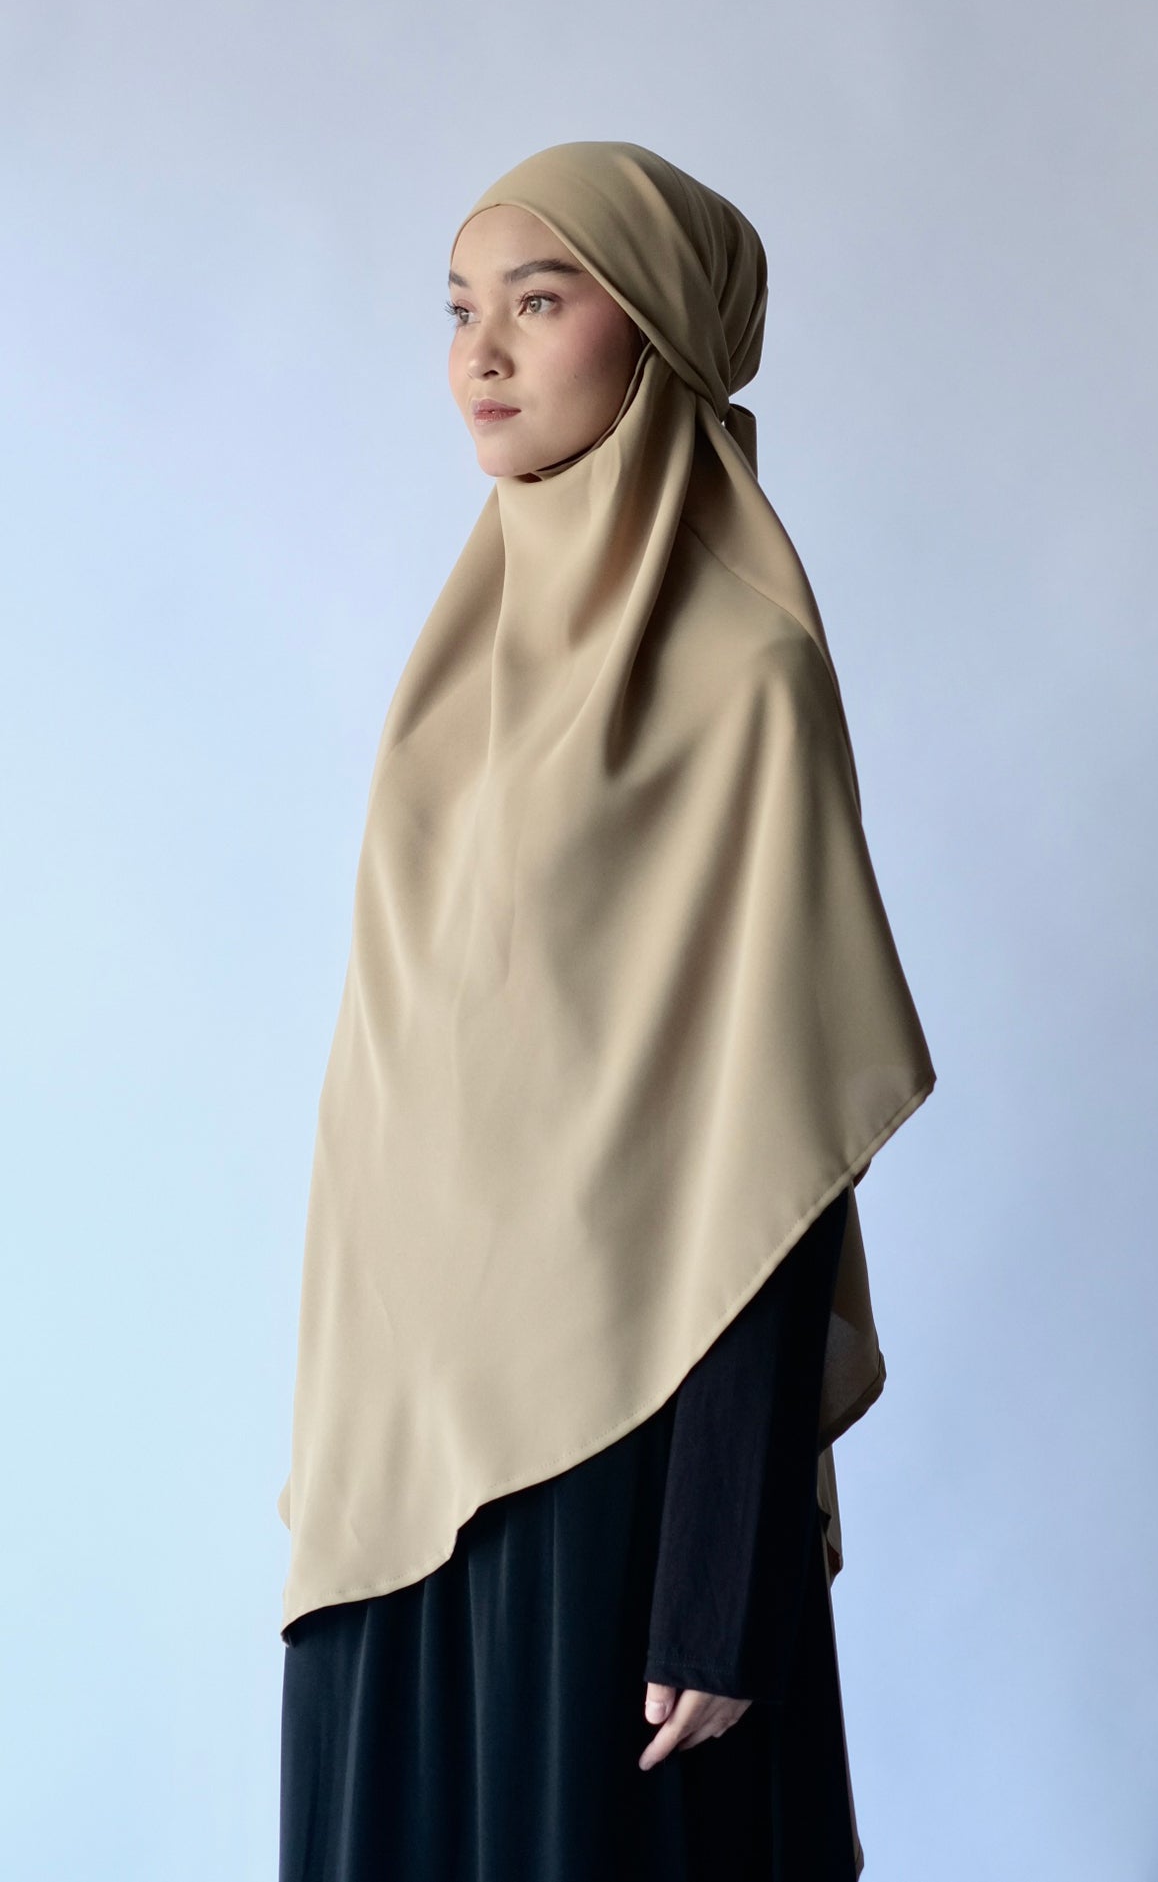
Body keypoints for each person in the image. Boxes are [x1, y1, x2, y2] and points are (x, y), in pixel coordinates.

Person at [276, 141, 936, 1881]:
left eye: (540, 300)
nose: (480, 353)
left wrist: (719, 1583)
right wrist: (337, 1452)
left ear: (654, 334)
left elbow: (769, 1139)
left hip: (617, 1473)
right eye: (457, 309)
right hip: (396, 1468)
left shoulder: (744, 681)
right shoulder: (455, 675)